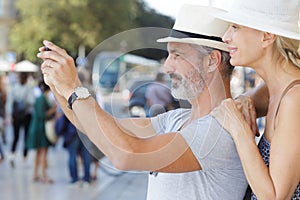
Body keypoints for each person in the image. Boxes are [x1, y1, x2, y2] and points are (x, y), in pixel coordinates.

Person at [38, 5, 248, 199]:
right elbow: (89, 125)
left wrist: (73, 88)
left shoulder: (218, 131)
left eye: (176, 55)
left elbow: (126, 156)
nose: (167, 67)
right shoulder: (178, 119)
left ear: (212, 60)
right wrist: (58, 84)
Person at [211, 0, 300, 199]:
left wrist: (238, 128)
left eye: (235, 27)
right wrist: (243, 100)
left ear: (267, 36)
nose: (226, 37)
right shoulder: (275, 87)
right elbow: (244, 102)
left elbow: (275, 196)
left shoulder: (295, 99)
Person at [26, 79, 57, 183]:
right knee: (43, 152)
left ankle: (36, 174)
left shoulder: (42, 98)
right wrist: (53, 109)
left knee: (39, 152)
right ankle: (43, 175)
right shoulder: (42, 99)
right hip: (41, 128)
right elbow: (41, 115)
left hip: (38, 127)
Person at [5, 72, 35, 168]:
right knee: (23, 135)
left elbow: (9, 103)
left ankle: (14, 155)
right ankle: (23, 156)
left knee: (17, 136)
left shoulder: (14, 88)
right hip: (24, 115)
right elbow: (32, 101)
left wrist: (10, 115)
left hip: (18, 115)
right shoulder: (28, 88)